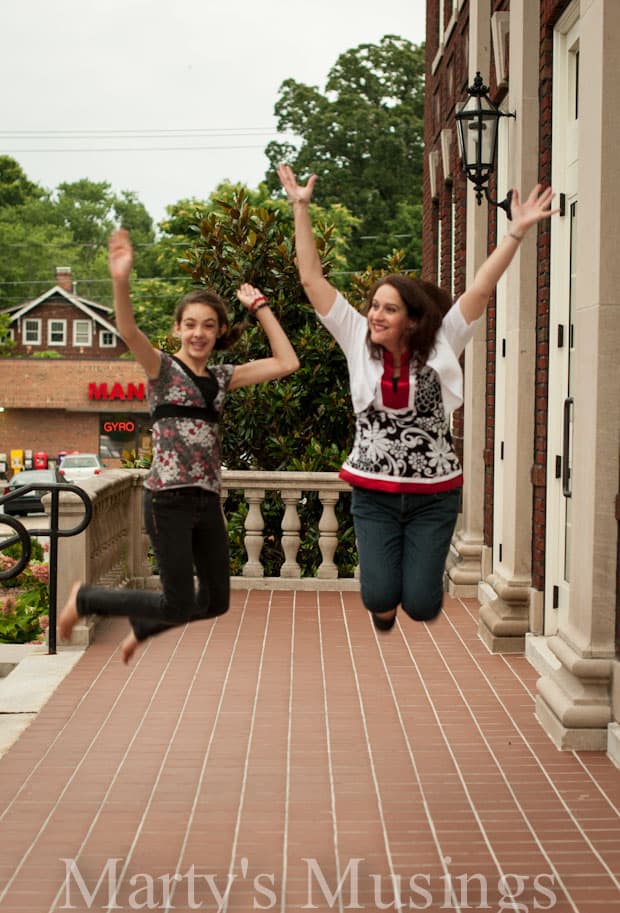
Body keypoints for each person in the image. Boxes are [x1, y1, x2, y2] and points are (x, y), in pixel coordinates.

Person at [277, 163, 557, 632]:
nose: (375, 314)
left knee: (424, 604)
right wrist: (299, 209)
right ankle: (384, 602)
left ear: (411, 318)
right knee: (380, 596)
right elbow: (312, 281)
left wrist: (515, 235)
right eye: (373, 306)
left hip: (434, 495)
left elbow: (481, 289)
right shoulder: (354, 338)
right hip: (374, 493)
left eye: (389, 308)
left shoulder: (443, 343)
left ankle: (414, 584)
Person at [58, 228, 299, 662]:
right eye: (190, 324)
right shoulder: (162, 370)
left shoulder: (224, 377)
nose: (198, 333)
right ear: (177, 329)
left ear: (220, 330)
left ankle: (144, 627)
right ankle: (87, 599)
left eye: (208, 325)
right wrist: (120, 278)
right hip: (166, 499)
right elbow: (128, 329)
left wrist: (261, 308)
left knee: (216, 601)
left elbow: (288, 362)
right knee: (178, 601)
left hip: (206, 501)